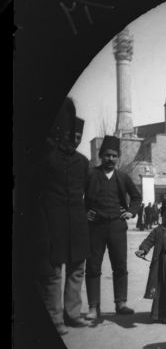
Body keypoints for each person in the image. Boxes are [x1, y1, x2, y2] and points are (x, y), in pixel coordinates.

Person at [34, 98, 90, 335]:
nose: (71, 140)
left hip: (77, 224)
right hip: (54, 223)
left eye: (75, 137)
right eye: (68, 135)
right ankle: (54, 319)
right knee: (54, 272)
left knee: (77, 269)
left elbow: (86, 190)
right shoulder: (48, 159)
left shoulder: (83, 163)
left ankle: (73, 314)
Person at [84, 135, 142, 320]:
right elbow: (78, 195)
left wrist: (131, 212)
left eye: (114, 156)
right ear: (101, 155)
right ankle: (94, 307)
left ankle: (121, 303)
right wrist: (84, 212)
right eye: (107, 155)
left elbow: (136, 197)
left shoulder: (123, 177)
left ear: (118, 158)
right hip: (95, 227)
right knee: (93, 266)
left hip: (117, 227)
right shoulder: (91, 174)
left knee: (120, 265)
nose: (110, 159)